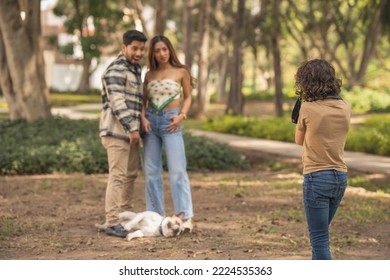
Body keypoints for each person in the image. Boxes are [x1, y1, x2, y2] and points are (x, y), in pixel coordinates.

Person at [294, 58, 351, 259]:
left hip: (316, 178)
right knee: (320, 236)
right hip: (340, 177)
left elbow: (298, 140)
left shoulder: (307, 108)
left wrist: (302, 106)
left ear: (307, 83)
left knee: (319, 242)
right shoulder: (345, 106)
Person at [141, 35, 194, 232]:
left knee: (178, 171)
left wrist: (182, 115)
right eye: (157, 50)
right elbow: (143, 102)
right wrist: (143, 118)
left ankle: (185, 217)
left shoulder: (181, 72)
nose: (161, 54)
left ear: (169, 49)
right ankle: (155, 216)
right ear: (152, 53)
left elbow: (188, 97)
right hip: (150, 125)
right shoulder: (149, 75)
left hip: (171, 122)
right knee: (151, 172)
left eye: (164, 49)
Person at [97, 30, 147, 238]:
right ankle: (112, 222)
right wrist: (132, 128)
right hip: (118, 132)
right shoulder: (116, 70)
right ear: (123, 47)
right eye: (134, 48)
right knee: (118, 176)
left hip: (130, 134)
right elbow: (118, 103)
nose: (138, 52)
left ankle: (124, 217)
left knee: (130, 176)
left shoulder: (134, 70)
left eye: (142, 49)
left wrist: (137, 130)